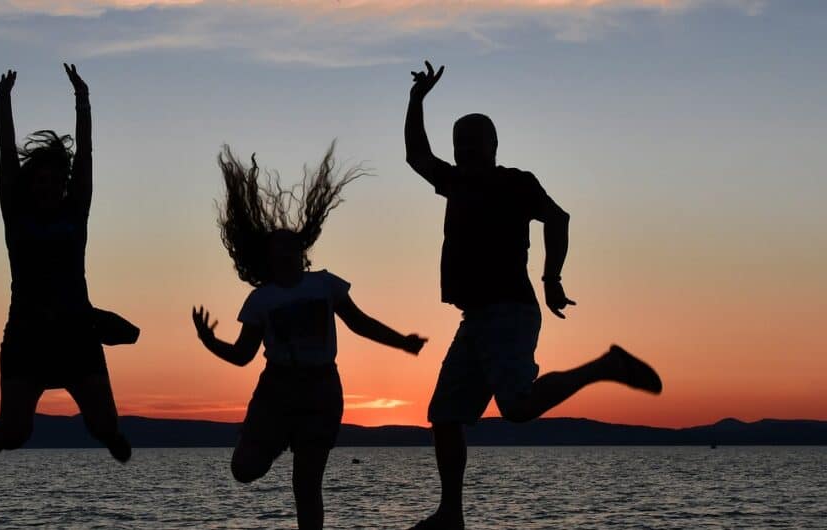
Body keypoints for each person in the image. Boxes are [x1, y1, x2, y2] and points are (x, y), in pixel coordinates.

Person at [403, 61, 664, 530]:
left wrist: (551, 279)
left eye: (474, 142)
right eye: (459, 142)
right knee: (444, 416)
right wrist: (416, 100)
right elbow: (418, 157)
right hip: (475, 319)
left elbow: (559, 219)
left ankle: (606, 366)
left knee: (518, 408)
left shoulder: (515, 183)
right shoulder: (455, 182)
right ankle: (451, 515)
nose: (464, 150)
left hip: (510, 312)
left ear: (492, 146)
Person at [192, 144, 427, 530]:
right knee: (244, 470)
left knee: (307, 484)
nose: (286, 253)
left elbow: (360, 322)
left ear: (301, 251)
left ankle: (294, 445)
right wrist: (209, 342)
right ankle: (272, 437)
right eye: (277, 249)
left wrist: (403, 341)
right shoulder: (261, 299)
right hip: (276, 390)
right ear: (268, 258)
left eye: (291, 246)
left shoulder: (325, 285)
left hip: (321, 389)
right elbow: (242, 355)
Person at [0, 64, 131, 486]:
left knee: (105, 426)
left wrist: (83, 100)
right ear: (30, 184)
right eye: (40, 179)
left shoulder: (76, 212)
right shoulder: (16, 217)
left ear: (63, 183)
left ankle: (108, 433)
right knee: (16, 433)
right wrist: (3, 100)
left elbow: (86, 157)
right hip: (27, 336)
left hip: (76, 332)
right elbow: (5, 157)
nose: (48, 185)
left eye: (56, 179)